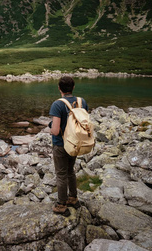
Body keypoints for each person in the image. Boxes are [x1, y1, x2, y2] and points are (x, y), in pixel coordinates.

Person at [49, 76, 89, 216]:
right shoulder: (81, 102)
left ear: (59, 88)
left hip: (61, 145)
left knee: (61, 174)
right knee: (70, 171)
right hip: (76, 143)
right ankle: (73, 198)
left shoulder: (57, 104)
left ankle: (61, 205)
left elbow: (55, 130)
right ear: (73, 87)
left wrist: (50, 127)